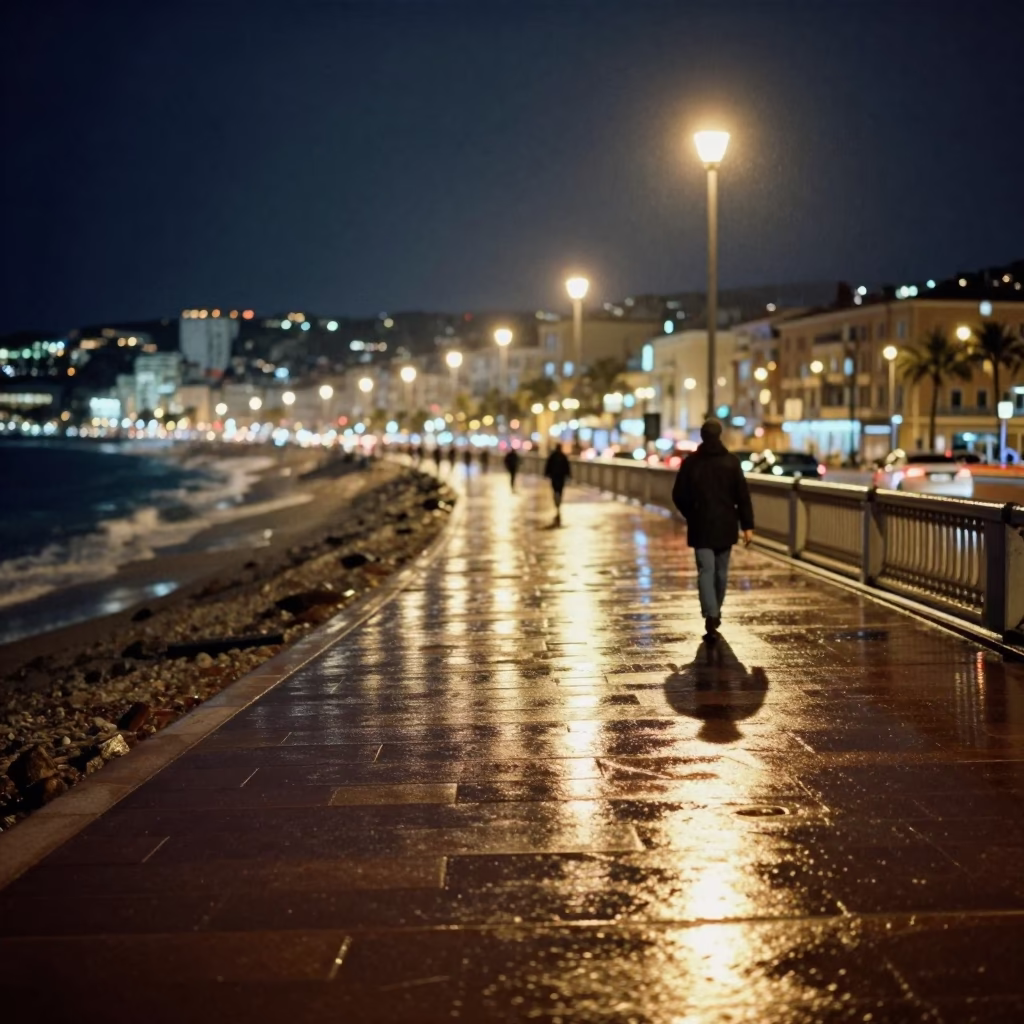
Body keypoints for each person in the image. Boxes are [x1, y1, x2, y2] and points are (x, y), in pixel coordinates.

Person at [671, 418, 754, 639]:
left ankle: (711, 612)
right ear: (719, 435)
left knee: (705, 570)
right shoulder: (731, 462)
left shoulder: (691, 463)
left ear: (702, 436)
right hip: (726, 524)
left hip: (700, 525)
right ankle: (715, 609)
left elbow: (678, 494)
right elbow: (742, 496)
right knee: (721, 572)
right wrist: (747, 526)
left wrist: (691, 513)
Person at [543, 443, 571, 526]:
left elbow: (548, 466)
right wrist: (568, 475)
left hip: (554, 477)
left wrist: (546, 474)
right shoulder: (563, 456)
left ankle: (557, 501)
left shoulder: (553, 456)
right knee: (560, 490)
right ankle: (558, 502)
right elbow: (567, 467)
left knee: (555, 490)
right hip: (561, 478)